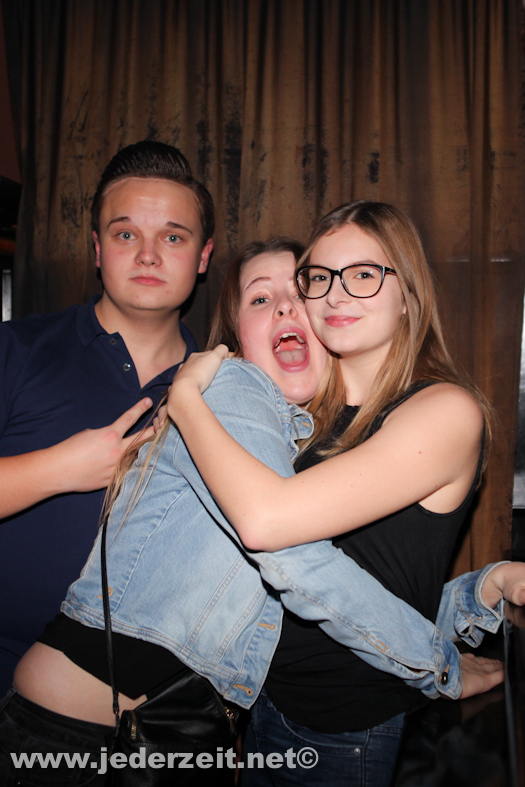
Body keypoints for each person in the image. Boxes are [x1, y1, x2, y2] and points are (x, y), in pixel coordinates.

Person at [0, 238, 517, 786]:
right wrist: (442, 667)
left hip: (163, 733)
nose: (287, 308)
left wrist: (474, 595)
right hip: (76, 739)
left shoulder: (297, 442)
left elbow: (345, 602)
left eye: (300, 291)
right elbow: (300, 563)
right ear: (238, 335)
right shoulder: (235, 389)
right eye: (260, 299)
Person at [166, 203, 522, 786]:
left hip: (344, 734)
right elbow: (367, 581)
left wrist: (185, 401)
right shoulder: (310, 414)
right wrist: (475, 594)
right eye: (321, 277)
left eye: (362, 274)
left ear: (407, 293)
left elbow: (265, 523)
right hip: (267, 704)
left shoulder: (444, 411)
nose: (335, 294)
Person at [0, 140, 214, 695]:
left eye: (173, 237)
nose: (148, 255)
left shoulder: (226, 393)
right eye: (125, 235)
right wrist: (56, 470)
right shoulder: (14, 350)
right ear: (98, 249)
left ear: (203, 257)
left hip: (148, 709)